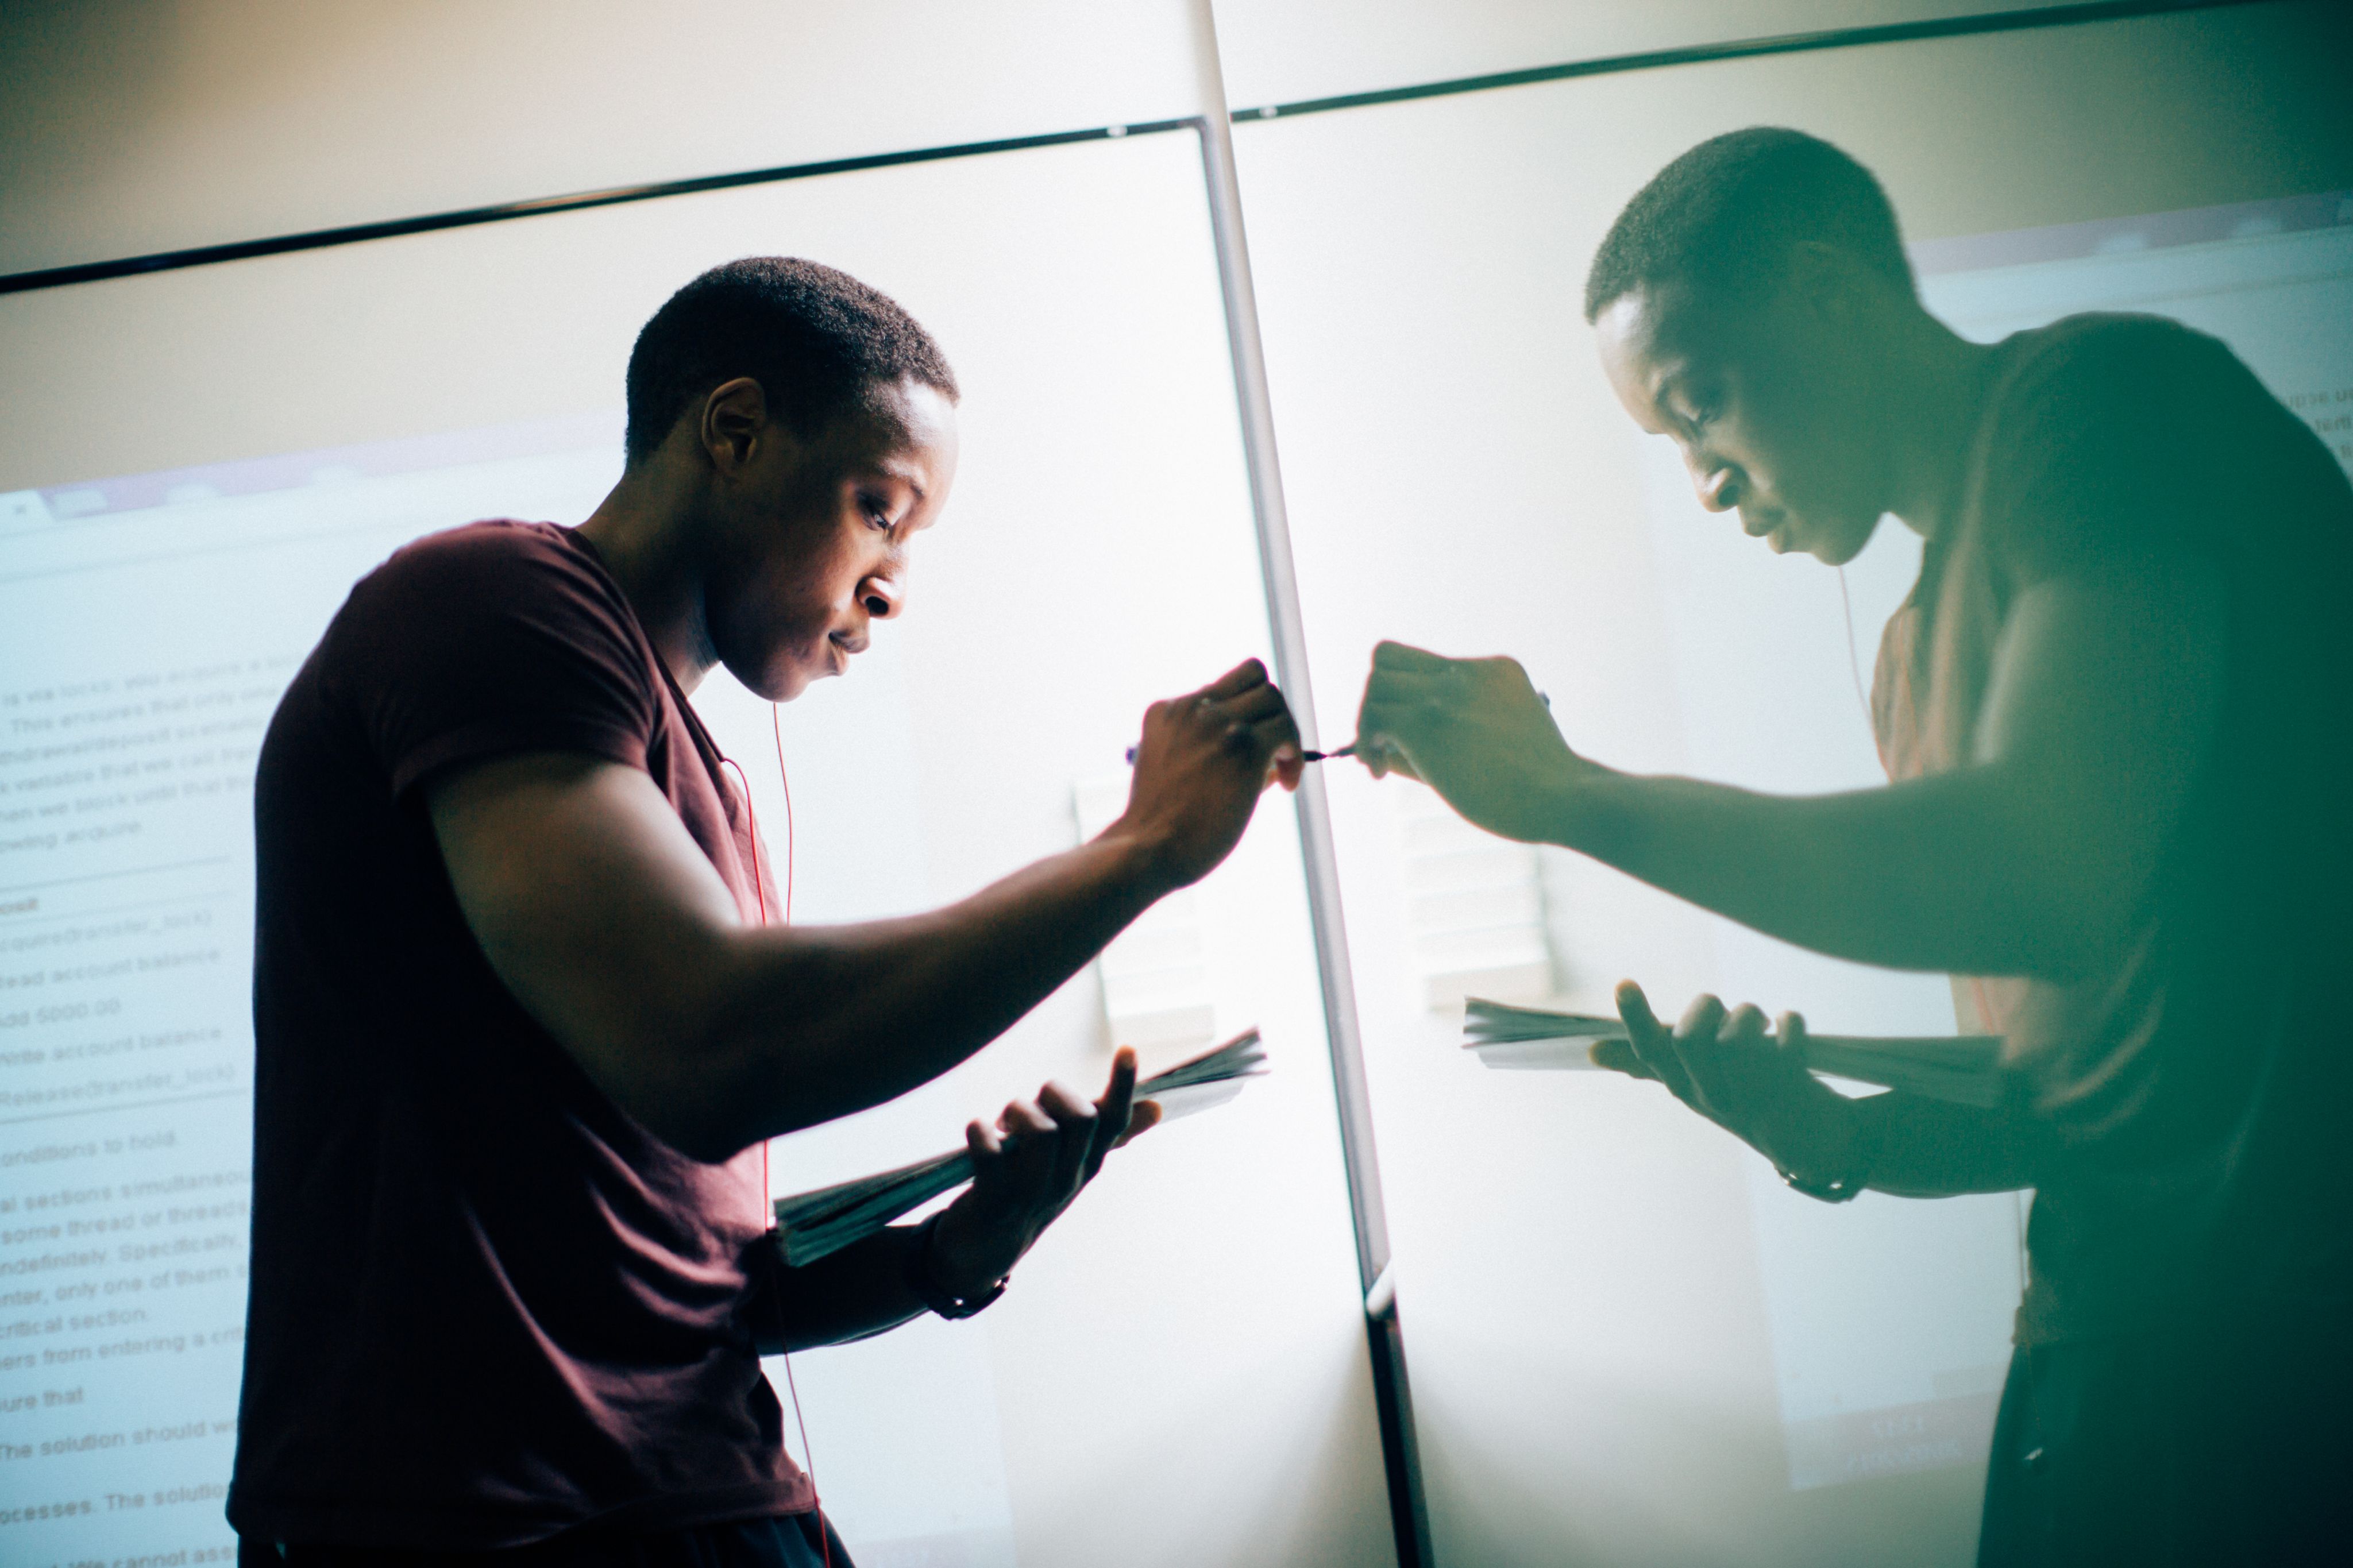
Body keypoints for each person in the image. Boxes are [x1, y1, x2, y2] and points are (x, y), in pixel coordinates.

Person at [1351, 128, 2353, 1563]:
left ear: (1827, 296)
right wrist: (1837, 1135)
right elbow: (2069, 1098)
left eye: (1701, 406)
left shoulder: (2098, 400)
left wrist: (1569, 794)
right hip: (2101, 1358)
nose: (1703, 480)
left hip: (2290, 1352)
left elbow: (2043, 878)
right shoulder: (1901, 658)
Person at [229, 256, 1305, 1566]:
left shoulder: (695, 785)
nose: (893, 583)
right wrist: (1143, 849)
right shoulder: (494, 596)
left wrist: (954, 1249)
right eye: (878, 511)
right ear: (732, 432)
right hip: (502, 1529)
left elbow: (695, 1286)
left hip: (705, 1503)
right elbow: (708, 1046)